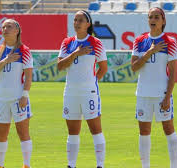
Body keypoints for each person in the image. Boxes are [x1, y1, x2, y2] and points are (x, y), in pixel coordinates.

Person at [57, 10, 108, 168]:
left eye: (80, 20)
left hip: (89, 93)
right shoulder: (67, 43)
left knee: (95, 129)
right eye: (75, 20)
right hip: (70, 92)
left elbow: (103, 68)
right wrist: (75, 53)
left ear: (88, 24)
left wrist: (92, 83)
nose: (77, 23)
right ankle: (71, 165)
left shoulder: (95, 43)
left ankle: (100, 165)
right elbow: (60, 66)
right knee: (72, 131)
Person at [131, 7, 177, 168]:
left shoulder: (170, 42)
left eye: (157, 17)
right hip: (143, 94)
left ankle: (174, 166)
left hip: (161, 93)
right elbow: (134, 67)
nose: (153, 19)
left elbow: (173, 73)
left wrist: (167, 96)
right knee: (144, 132)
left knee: (168, 129)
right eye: (150, 17)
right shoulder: (139, 41)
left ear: (163, 21)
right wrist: (149, 52)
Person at [0, 19, 33, 168]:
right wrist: (6, 60)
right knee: (1, 135)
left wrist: (25, 95)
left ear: (17, 31)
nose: (5, 29)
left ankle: (26, 165)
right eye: (3, 27)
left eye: (9, 26)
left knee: (23, 133)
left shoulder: (24, 51)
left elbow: (28, 76)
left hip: (18, 98)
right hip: (1, 98)